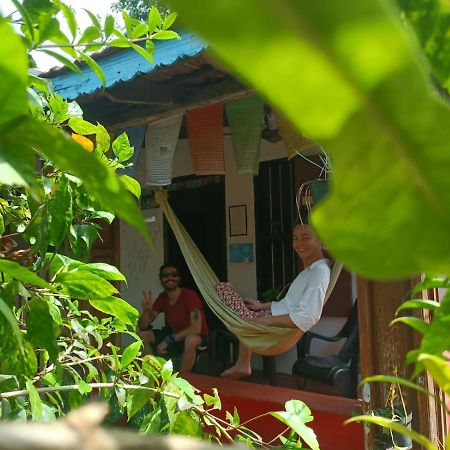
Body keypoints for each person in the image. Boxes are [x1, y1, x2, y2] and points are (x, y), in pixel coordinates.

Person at [218, 219, 330, 379]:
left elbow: (307, 316)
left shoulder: (320, 272)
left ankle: (243, 363)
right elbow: (290, 304)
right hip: (274, 317)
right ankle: (243, 362)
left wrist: (266, 320)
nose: (299, 243)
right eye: (295, 238)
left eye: (306, 237)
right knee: (235, 302)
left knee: (223, 291)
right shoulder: (310, 271)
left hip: (280, 327)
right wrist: (262, 306)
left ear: (320, 240)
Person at [138, 263, 209, 373]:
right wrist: (146, 312)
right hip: (174, 336)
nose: (170, 278)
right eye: (165, 275)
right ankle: (152, 374)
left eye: (173, 275)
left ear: (179, 278)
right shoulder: (162, 298)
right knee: (142, 335)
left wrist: (168, 340)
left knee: (191, 339)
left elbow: (196, 329)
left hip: (195, 338)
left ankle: (182, 379)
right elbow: (143, 326)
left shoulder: (189, 295)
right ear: (161, 279)